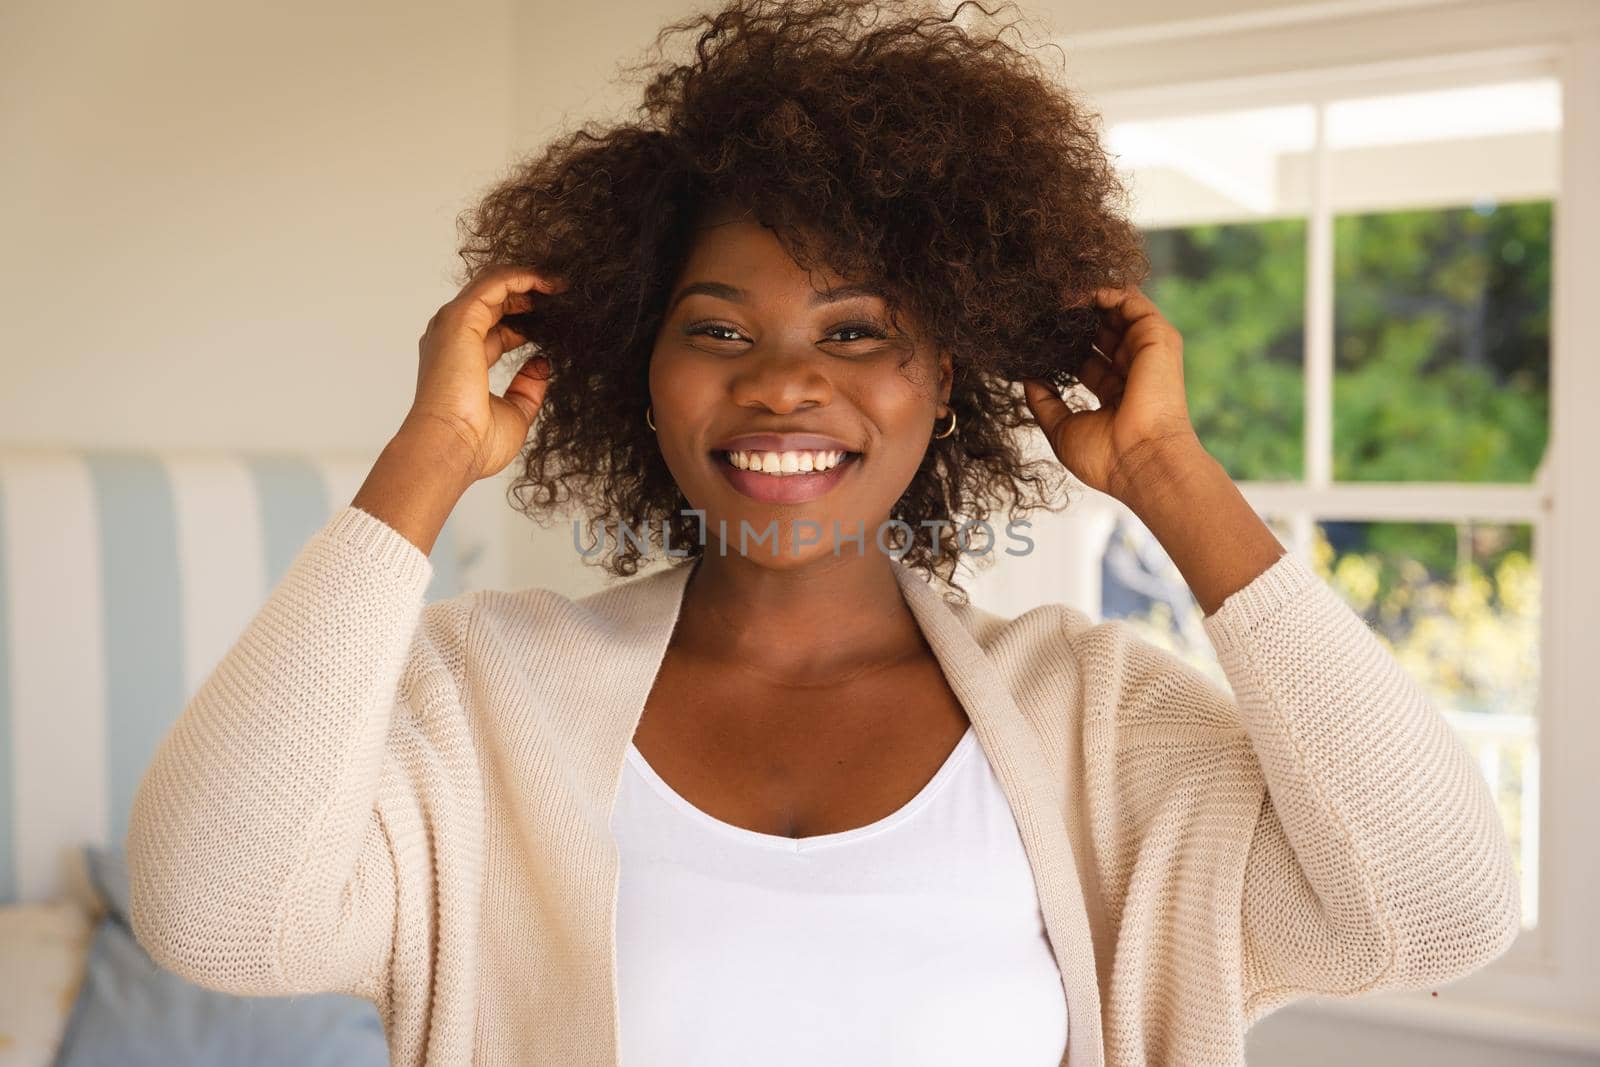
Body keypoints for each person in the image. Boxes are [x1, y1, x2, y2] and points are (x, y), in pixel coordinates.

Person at [124, 1, 1521, 1065]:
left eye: (857, 332)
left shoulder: (1099, 724)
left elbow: (1439, 909)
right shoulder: (481, 699)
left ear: (946, 377)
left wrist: (1167, 472)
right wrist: (426, 463)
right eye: (717, 329)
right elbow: (215, 913)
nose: (783, 381)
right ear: (638, 378)